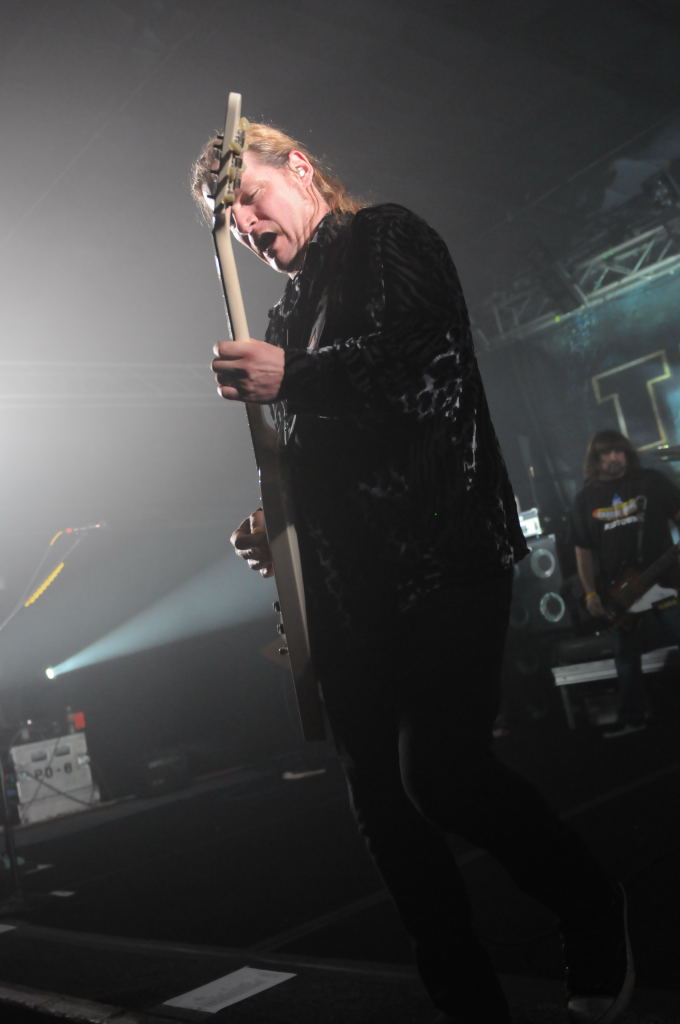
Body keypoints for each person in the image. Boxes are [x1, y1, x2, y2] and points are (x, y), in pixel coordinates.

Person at [191, 123, 633, 1023]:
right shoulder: (284, 316)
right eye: (227, 220)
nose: (245, 225)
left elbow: (424, 372)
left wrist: (294, 377)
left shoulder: (385, 236)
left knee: (443, 775)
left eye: (250, 198)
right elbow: (318, 458)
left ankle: (591, 905)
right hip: (347, 595)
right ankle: (466, 1004)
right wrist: (278, 525)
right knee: (386, 820)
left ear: (300, 169)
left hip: (442, 557)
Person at [573, 429, 680, 737]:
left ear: (627, 454)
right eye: (606, 453)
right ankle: (632, 717)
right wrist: (590, 592)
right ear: (595, 459)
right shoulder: (585, 499)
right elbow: (582, 550)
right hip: (620, 591)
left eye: (618, 451)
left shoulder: (650, 482)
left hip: (663, 581)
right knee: (625, 658)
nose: (613, 458)